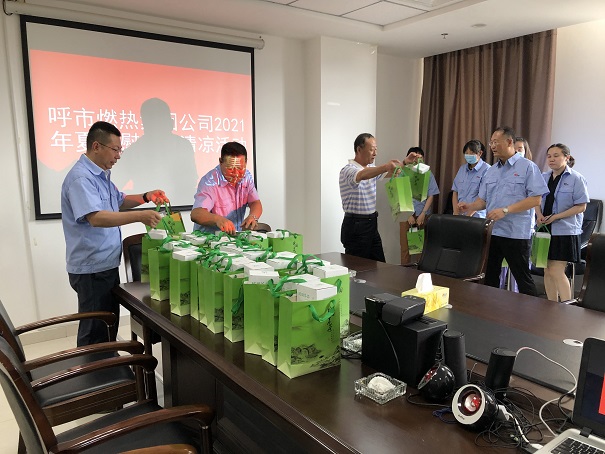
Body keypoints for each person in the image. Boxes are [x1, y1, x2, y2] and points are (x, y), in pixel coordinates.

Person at [61, 121, 169, 346]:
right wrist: (141, 216)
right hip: (92, 269)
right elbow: (96, 218)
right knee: (95, 330)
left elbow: (119, 201)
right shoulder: (81, 178)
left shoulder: (101, 175)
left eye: (120, 150)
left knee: (108, 324)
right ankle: (95, 366)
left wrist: (146, 196)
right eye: (115, 149)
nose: (118, 156)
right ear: (96, 146)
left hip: (105, 264)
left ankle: (107, 361)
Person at [458, 126, 548, 296]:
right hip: (493, 231)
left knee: (523, 279)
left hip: (516, 233)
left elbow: (536, 199)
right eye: (491, 142)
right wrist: (469, 206)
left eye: (495, 142)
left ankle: (532, 311)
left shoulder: (528, 167)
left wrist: (506, 210)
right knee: (489, 276)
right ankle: (490, 309)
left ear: (509, 142)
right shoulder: (491, 171)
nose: (492, 146)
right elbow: (483, 201)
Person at [339, 133, 418, 262]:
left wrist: (404, 162)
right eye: (371, 150)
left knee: (379, 265)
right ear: (359, 149)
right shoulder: (348, 170)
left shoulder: (371, 169)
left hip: (371, 223)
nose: (375, 153)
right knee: (358, 267)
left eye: (376, 149)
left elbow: (390, 172)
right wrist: (385, 166)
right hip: (356, 224)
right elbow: (362, 175)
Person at [535, 144, 589, 302]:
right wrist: (538, 215)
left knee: (556, 271)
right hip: (544, 229)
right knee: (546, 270)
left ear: (567, 157)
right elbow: (536, 199)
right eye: (549, 156)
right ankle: (551, 306)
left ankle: (566, 308)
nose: (551, 159)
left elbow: (581, 206)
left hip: (565, 231)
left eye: (556, 155)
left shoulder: (576, 178)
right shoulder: (543, 177)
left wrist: (556, 216)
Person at [191, 141, 262, 234]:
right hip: (210, 238)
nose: (236, 174)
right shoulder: (210, 182)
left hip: (235, 236)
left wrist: (253, 216)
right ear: (221, 162)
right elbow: (196, 214)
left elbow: (255, 202)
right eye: (230, 169)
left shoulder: (246, 177)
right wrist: (218, 219)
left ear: (246, 162)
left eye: (240, 168)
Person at [400, 147, 440, 264]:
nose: (417, 160)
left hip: (422, 215)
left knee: (420, 249)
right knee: (405, 249)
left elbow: (431, 195)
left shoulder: (428, 173)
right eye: (414, 157)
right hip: (406, 215)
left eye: (420, 157)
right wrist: (408, 214)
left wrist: (423, 214)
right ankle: (403, 273)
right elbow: (399, 194)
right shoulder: (403, 172)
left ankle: (419, 273)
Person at [452, 140, 490, 218]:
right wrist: (455, 213)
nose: (469, 155)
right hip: (460, 215)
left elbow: (482, 198)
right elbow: (455, 191)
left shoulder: (487, 169)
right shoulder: (462, 169)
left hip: (477, 217)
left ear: (480, 153)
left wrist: (468, 216)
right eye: (466, 153)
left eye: (472, 153)